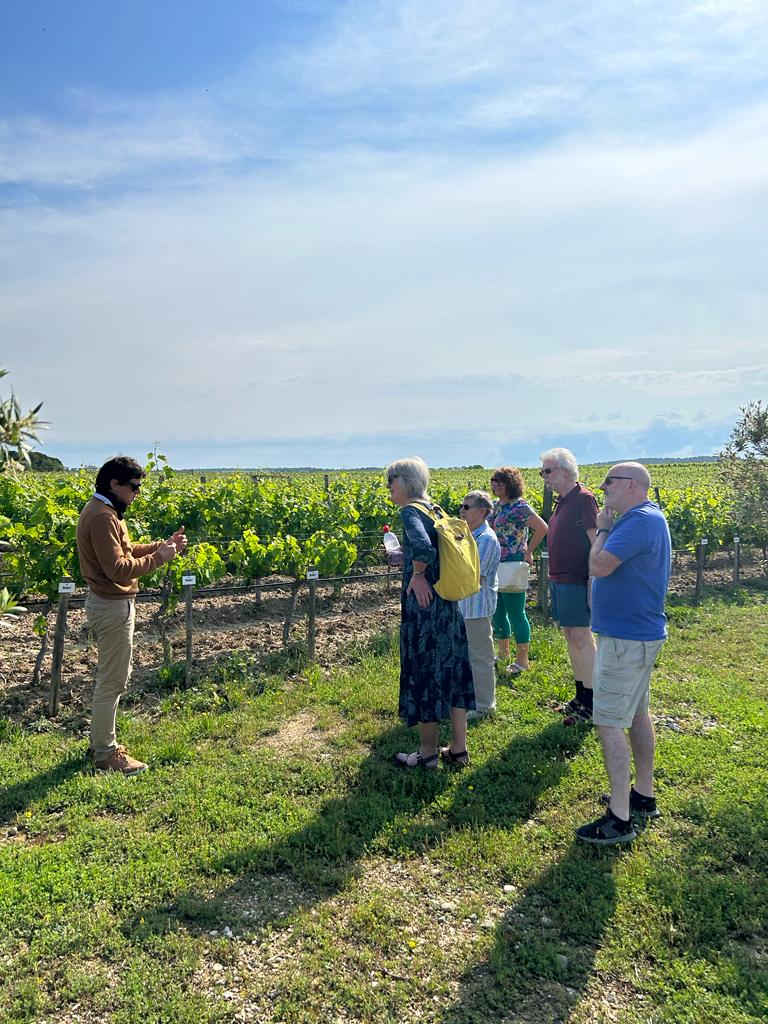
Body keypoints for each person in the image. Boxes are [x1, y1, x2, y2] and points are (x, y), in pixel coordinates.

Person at [575, 463, 671, 845]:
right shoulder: (650, 518)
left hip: (625, 637)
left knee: (609, 720)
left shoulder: (634, 522)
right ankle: (642, 795)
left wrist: (602, 528)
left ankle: (619, 818)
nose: (603, 489)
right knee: (636, 713)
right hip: (640, 633)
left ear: (631, 486)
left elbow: (598, 565)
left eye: (609, 483)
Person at [77, 456, 187, 775]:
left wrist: (160, 546)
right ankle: (105, 753)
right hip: (112, 606)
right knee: (112, 681)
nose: (137, 493)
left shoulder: (106, 511)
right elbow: (119, 570)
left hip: (110, 604)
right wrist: (160, 558)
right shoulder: (102, 517)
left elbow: (125, 551)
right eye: (134, 487)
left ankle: (101, 742)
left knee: (112, 678)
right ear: (114, 484)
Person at [385, 457, 476, 768]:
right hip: (447, 603)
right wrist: (408, 557)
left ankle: (426, 754)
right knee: (452, 673)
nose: (389, 488)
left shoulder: (410, 511)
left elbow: (424, 549)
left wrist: (418, 574)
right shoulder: (434, 508)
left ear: (406, 481)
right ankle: (459, 750)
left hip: (425, 609)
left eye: (391, 481)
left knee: (425, 674)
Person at [539, 448, 599, 723]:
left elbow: (596, 542)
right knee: (570, 636)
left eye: (547, 471)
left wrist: (592, 581)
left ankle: (593, 701)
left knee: (582, 638)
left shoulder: (584, 499)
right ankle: (580, 695)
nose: (544, 477)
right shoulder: (562, 501)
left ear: (565, 470)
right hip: (561, 578)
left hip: (577, 578)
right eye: (543, 472)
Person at [489, 466, 548, 675]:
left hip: (513, 562)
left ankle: (522, 660)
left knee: (516, 613)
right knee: (498, 612)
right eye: (494, 481)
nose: (496, 485)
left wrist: (528, 550)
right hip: (496, 563)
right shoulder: (496, 506)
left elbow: (542, 527)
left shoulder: (520, 506)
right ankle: (503, 653)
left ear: (511, 484)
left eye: (501, 481)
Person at [458, 491, 501, 718]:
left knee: (481, 656)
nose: (462, 511)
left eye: (467, 507)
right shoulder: (469, 535)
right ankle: (470, 699)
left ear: (483, 511)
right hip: (463, 605)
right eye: (462, 506)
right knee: (468, 655)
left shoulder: (485, 539)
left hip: (476, 606)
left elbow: (474, 576)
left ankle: (485, 706)